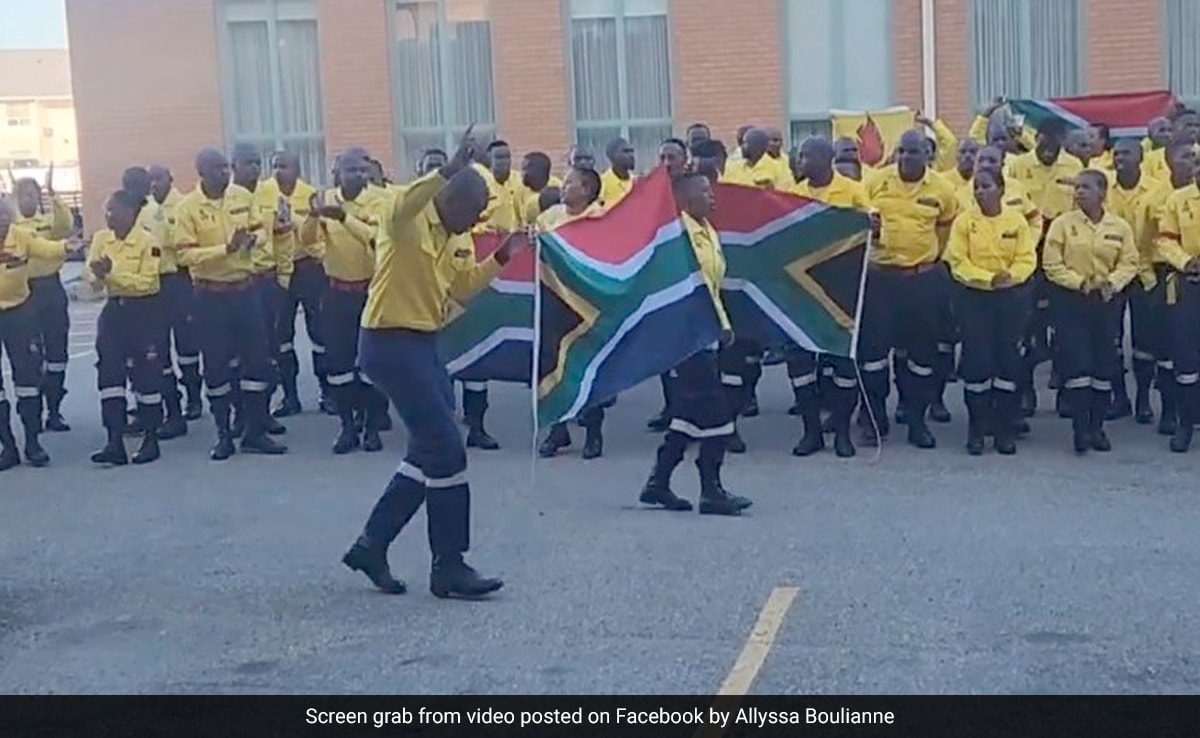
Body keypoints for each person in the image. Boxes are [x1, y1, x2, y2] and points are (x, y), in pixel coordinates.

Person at [342, 128, 524, 599]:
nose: (478, 218)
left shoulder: (456, 237)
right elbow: (409, 199)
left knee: (428, 449)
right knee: (446, 447)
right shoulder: (404, 218)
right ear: (449, 197)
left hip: (423, 343)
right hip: (387, 342)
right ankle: (449, 566)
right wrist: (448, 167)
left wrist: (504, 256)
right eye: (472, 209)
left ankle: (371, 544)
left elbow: (461, 287)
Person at [639, 172, 749, 516]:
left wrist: (723, 325)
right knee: (717, 416)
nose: (712, 197)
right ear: (685, 199)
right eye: (704, 192)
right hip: (686, 339)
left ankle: (658, 483)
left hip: (707, 335)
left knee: (687, 416)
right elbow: (684, 289)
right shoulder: (678, 236)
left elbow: (709, 288)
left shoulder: (707, 230)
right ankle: (711, 491)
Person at [175, 147, 287, 460]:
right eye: (216, 169)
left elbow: (260, 232)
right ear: (201, 172)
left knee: (257, 362)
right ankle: (224, 434)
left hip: (246, 291)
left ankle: (254, 431)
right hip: (210, 296)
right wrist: (224, 249)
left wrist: (253, 241)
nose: (224, 173)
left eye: (225, 167)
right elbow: (184, 254)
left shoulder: (241, 196)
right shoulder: (188, 208)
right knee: (217, 366)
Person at [860, 129, 959, 449]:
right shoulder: (875, 182)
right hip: (880, 279)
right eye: (900, 151)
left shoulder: (943, 190)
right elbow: (854, 225)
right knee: (873, 355)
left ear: (927, 156)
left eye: (912, 152)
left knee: (921, 355)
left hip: (921, 280)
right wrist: (869, 231)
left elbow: (945, 234)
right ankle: (875, 419)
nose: (904, 157)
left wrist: (928, 263)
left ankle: (916, 419)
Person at [1043, 170, 1138, 454]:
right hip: (1072, 301)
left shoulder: (1119, 226)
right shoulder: (1062, 224)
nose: (1079, 192)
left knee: (1104, 366)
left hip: (1106, 302)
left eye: (1086, 187)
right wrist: (1079, 283)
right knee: (1078, 365)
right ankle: (1080, 428)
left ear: (1102, 193)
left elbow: (1130, 261)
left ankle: (1098, 426)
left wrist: (1113, 283)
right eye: (1077, 187)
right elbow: (1052, 264)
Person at [786, 137, 869, 458]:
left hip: (840, 286)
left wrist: (870, 224)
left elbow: (869, 231)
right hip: (801, 285)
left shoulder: (852, 191)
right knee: (801, 361)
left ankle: (843, 433)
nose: (800, 161)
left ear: (825, 158)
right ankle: (811, 432)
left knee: (841, 361)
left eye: (806, 155)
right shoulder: (792, 193)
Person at [301, 148, 388, 455]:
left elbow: (377, 239)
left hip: (372, 292)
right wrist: (313, 217)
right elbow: (308, 243)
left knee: (372, 363)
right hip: (337, 292)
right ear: (337, 174)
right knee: (338, 364)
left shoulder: (379, 199)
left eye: (363, 170)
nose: (359, 176)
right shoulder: (326, 199)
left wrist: (345, 218)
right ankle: (347, 426)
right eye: (351, 170)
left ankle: (372, 426)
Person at [945, 168, 1036, 455]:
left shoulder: (1016, 221)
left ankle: (1003, 428)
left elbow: (1026, 257)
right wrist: (987, 279)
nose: (980, 191)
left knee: (1008, 363)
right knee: (977, 364)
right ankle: (976, 428)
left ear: (1001, 189)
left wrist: (1011, 277)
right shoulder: (964, 222)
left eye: (986, 186)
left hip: (1010, 298)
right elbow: (957, 261)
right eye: (977, 187)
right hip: (974, 299)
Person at [1007, 119, 1084, 417]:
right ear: (1035, 138)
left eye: (1055, 142)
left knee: (1065, 327)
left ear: (1062, 140)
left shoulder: (1074, 166)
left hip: (1064, 250)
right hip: (1027, 250)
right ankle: (1025, 391)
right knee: (1024, 328)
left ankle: (1065, 393)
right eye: (1044, 141)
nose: (1049, 148)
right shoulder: (1017, 166)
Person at [86, 190, 165, 466]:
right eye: (106, 210)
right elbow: (92, 285)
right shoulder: (100, 239)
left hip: (142, 313)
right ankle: (114, 441)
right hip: (113, 313)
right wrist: (97, 276)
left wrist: (112, 274)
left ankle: (151, 438)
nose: (109, 215)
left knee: (146, 378)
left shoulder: (147, 242)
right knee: (109, 377)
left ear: (131, 213)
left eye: (114, 210)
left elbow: (148, 283)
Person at [536, 166, 608, 460]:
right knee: (552, 364)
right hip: (553, 299)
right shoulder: (549, 217)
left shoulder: (601, 218)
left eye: (569, 183)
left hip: (586, 302)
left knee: (587, 363)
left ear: (588, 189)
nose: (562, 187)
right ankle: (558, 428)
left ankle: (593, 431)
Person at [0, 197, 77, 470]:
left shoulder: (21, 236)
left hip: (19, 311)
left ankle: (33, 442)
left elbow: (45, 248)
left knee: (27, 378)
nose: (1, 225)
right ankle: (7, 446)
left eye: (4, 219)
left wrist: (66, 246)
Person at [263, 151, 330, 419]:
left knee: (320, 333)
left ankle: (328, 393)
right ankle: (290, 397)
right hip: (280, 271)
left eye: (285, 166)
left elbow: (323, 232)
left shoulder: (310, 194)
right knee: (281, 336)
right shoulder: (263, 194)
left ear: (298, 169)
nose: (279, 171)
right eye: (275, 166)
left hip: (307, 269)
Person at [121, 166, 186, 440]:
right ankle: (148, 410)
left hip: (160, 286)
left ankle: (173, 414)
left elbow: (157, 251)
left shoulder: (152, 213)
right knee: (138, 357)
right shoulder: (130, 213)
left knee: (158, 354)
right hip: (135, 291)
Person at [1106, 138, 1167, 426]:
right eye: (1116, 154)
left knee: (1145, 340)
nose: (1120, 158)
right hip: (1111, 273)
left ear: (1140, 157)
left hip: (1145, 273)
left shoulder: (1157, 189)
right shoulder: (1103, 188)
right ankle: (1120, 398)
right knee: (1110, 338)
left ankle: (1143, 398)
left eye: (1126, 153)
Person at [232, 145, 289, 438]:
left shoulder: (273, 195)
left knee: (265, 351)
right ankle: (239, 415)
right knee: (235, 355)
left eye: (257, 163)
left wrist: (285, 275)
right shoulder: (223, 200)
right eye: (247, 163)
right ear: (234, 166)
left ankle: (262, 414)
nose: (254, 168)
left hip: (266, 282)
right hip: (234, 284)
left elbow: (283, 236)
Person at [13, 175, 74, 433]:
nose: (31, 198)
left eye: (34, 194)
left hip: (51, 287)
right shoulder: (13, 227)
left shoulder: (47, 223)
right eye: (26, 194)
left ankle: (55, 410)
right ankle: (33, 413)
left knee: (57, 352)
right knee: (31, 354)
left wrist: (54, 196)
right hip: (27, 291)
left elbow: (65, 225)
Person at [1154, 146, 1200, 452]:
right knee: (1185, 356)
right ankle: (1185, 422)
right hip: (1187, 283)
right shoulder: (1178, 199)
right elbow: (1165, 241)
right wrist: (1186, 262)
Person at [148, 165, 202, 422]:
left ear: (170, 179)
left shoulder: (182, 205)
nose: (154, 184)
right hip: (154, 282)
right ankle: (171, 402)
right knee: (158, 344)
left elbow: (177, 241)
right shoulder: (145, 208)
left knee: (187, 344)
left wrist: (158, 238)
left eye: (159, 178)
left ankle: (194, 396)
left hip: (179, 279)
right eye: (151, 180)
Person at [722, 127, 792, 190]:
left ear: (757, 145)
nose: (742, 147)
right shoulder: (734, 167)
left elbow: (783, 193)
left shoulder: (774, 166)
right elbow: (725, 189)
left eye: (745, 143)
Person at [599, 138, 636, 209]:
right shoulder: (602, 183)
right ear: (612, 156)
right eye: (626, 152)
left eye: (632, 151)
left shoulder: (636, 182)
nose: (631, 155)